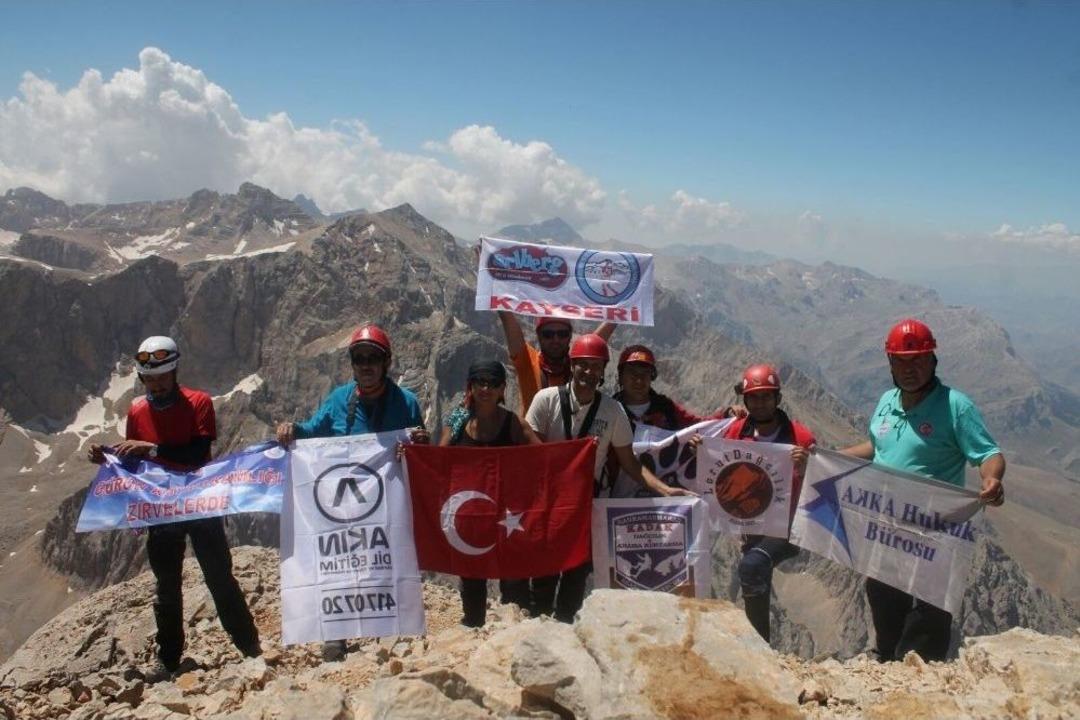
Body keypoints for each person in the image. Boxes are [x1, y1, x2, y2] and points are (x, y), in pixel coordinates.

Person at [87, 336, 261, 680]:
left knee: (218, 577)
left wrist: (150, 449)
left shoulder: (199, 402)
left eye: (162, 377)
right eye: (150, 379)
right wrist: (107, 455)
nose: (157, 384)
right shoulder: (137, 410)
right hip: (162, 508)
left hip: (200, 501)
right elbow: (136, 459)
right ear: (141, 378)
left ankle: (250, 647)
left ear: (174, 372)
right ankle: (168, 660)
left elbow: (195, 454)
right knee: (166, 585)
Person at [841, 318, 1006, 663]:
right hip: (888, 526)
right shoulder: (888, 400)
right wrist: (827, 459)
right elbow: (875, 447)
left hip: (934, 531)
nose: (909, 369)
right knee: (882, 595)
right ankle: (886, 665)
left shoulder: (955, 406)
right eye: (900, 361)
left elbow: (988, 453)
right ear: (889, 363)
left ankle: (921, 680)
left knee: (928, 612)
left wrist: (991, 479)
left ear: (933, 361)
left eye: (917, 360)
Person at [276, 323, 430, 661]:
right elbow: (313, 431)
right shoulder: (338, 400)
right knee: (343, 561)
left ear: (386, 362)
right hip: (344, 501)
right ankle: (337, 635)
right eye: (359, 358)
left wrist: (420, 445)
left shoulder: (407, 403)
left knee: (384, 558)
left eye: (372, 358)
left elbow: (421, 448)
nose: (366, 365)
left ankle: (393, 625)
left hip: (389, 501)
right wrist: (292, 431)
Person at [524, 333, 694, 622]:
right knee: (545, 571)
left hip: (587, 502)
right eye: (584, 365)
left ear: (604, 371)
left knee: (576, 572)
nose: (589, 373)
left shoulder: (612, 412)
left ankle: (565, 630)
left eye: (596, 366)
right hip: (549, 502)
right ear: (572, 365)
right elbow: (529, 451)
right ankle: (536, 627)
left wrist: (665, 490)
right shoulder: (546, 401)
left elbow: (630, 463)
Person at [437, 360, 540, 627]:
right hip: (471, 515)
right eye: (479, 382)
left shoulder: (514, 424)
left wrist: (580, 452)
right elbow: (437, 460)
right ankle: (473, 630)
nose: (486, 388)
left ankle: (515, 634)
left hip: (509, 516)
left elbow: (544, 457)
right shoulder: (458, 422)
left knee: (515, 578)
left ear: (503, 388)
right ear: (470, 386)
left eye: (493, 383)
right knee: (472, 577)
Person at [722, 364, 815, 644]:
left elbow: (821, 485)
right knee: (754, 572)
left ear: (778, 399)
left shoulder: (801, 438)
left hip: (788, 527)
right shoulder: (736, 432)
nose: (760, 404)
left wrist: (808, 465)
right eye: (754, 397)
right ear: (745, 400)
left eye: (766, 397)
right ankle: (759, 646)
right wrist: (700, 450)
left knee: (751, 566)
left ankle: (759, 648)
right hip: (751, 525)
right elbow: (721, 468)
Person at [609, 344, 739, 497]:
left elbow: (695, 425)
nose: (639, 380)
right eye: (632, 373)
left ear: (652, 377)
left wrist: (725, 415)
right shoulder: (611, 411)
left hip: (662, 495)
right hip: (616, 496)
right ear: (621, 376)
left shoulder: (666, 408)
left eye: (645, 374)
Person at [497, 311, 615, 415]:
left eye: (562, 334)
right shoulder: (527, 361)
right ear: (539, 336)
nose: (556, 340)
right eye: (548, 334)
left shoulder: (578, 365)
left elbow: (595, 343)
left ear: (569, 336)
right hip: (533, 438)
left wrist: (622, 306)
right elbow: (507, 319)